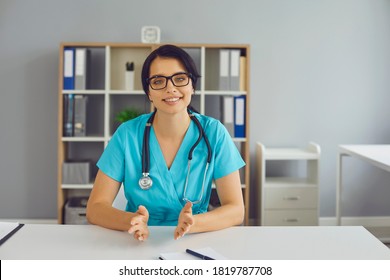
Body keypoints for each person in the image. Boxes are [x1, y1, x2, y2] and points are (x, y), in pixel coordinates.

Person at [86, 44, 245, 241]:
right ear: (149, 92)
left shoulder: (214, 133)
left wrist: (195, 223)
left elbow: (236, 210)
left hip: (195, 238)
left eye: (179, 79)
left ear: (192, 86)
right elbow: (95, 208)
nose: (170, 88)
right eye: (158, 81)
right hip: (137, 238)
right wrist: (132, 221)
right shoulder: (127, 134)